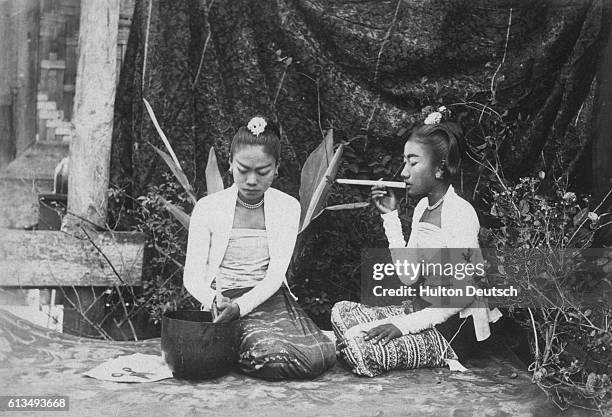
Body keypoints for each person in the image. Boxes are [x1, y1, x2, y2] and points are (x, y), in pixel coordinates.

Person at [331, 114, 502, 377]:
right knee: (343, 313)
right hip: (423, 309)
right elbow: (408, 276)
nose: (403, 173)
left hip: (453, 327)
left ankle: (364, 343)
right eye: (404, 162)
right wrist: (390, 217)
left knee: (360, 347)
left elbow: (465, 292)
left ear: (440, 168)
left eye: (413, 162)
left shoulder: (460, 213)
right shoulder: (423, 207)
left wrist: (402, 326)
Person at [183, 116, 336, 380]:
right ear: (230, 164)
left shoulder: (287, 207)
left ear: (276, 168)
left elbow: (275, 277)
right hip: (224, 299)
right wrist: (215, 301)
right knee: (269, 356)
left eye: (262, 171)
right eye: (243, 169)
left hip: (269, 296)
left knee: (319, 355)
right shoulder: (208, 208)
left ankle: (226, 350)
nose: (252, 180)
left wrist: (242, 307)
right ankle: (232, 347)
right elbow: (192, 277)